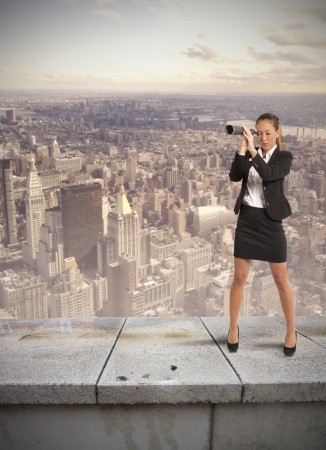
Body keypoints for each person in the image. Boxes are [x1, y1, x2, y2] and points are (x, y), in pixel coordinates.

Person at [227, 113, 296, 356]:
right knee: (239, 277)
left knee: (280, 280)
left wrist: (253, 153)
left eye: (268, 133)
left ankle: (291, 330)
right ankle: (233, 328)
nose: (263, 137)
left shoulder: (284, 157)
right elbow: (235, 176)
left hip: (270, 223)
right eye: (260, 133)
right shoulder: (250, 151)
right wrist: (242, 148)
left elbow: (268, 175)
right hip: (247, 221)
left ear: (277, 132)